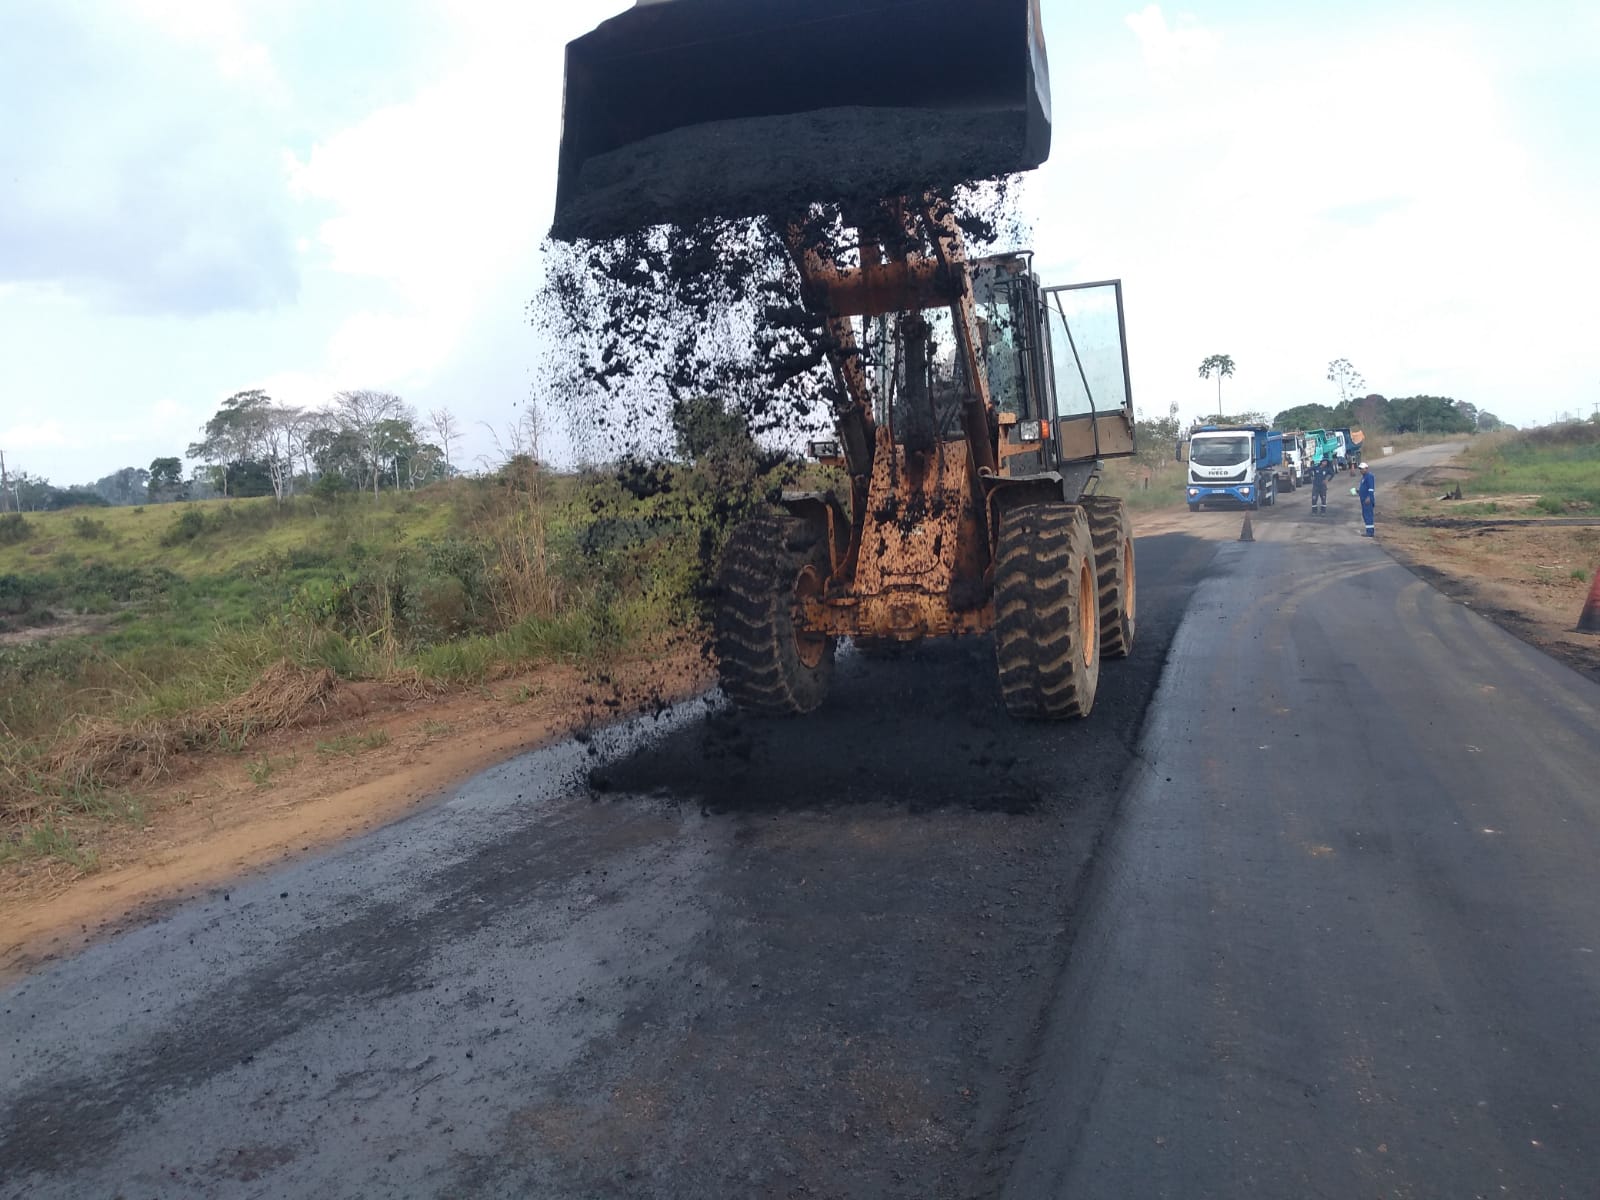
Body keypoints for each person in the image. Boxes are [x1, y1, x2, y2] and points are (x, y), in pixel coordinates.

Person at [1357, 461, 1376, 536]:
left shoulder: (1369, 476)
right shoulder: (1363, 477)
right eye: (1360, 469)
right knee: (1365, 515)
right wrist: (1358, 491)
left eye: (1362, 469)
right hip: (1363, 499)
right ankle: (1369, 531)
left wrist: (1369, 497)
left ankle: (1370, 532)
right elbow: (1364, 488)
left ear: (1366, 469)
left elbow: (1371, 488)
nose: (1361, 470)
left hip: (1367, 500)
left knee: (1368, 515)